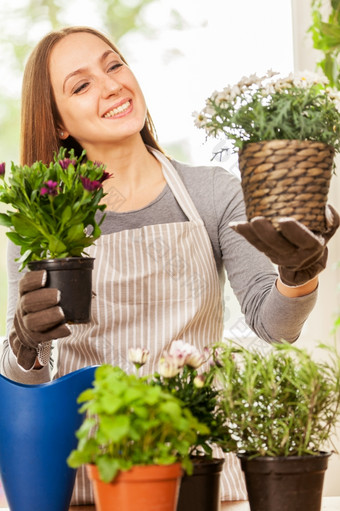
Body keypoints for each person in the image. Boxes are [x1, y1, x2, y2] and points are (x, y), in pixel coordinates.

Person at [0, 26, 339, 505]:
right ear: (58, 124)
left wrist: (296, 276)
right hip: (93, 474)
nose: (111, 84)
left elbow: (274, 325)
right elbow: (31, 378)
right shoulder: (44, 215)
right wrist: (23, 341)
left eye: (113, 65)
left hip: (197, 465)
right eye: (81, 85)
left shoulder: (212, 192)